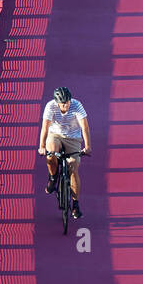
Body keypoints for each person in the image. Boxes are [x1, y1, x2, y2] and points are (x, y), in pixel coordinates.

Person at [38, 86, 90, 219]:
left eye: (67, 102)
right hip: (55, 134)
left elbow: (84, 127)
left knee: (73, 166)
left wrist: (87, 146)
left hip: (73, 137)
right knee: (51, 155)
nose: (66, 105)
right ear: (57, 102)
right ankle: (53, 177)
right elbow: (45, 128)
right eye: (63, 103)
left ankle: (75, 204)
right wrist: (42, 146)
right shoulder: (50, 106)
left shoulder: (77, 105)